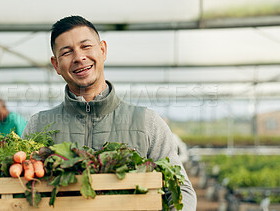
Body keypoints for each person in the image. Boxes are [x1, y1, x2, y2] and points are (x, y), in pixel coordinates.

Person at [22, 16, 197, 210]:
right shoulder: (38, 126)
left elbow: (180, 190)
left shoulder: (147, 122)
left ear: (103, 50)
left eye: (86, 46)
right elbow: (20, 191)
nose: (79, 57)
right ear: (56, 65)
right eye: (67, 52)